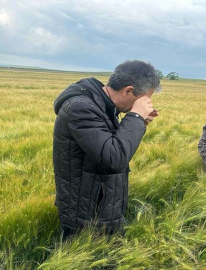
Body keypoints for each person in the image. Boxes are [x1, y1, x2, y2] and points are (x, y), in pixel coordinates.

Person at [53, 60, 161, 240]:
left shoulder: (104, 106)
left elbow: (114, 146)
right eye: (143, 100)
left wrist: (139, 122)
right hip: (85, 216)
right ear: (127, 90)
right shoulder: (81, 107)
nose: (144, 105)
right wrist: (134, 117)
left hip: (101, 209)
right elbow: (114, 159)